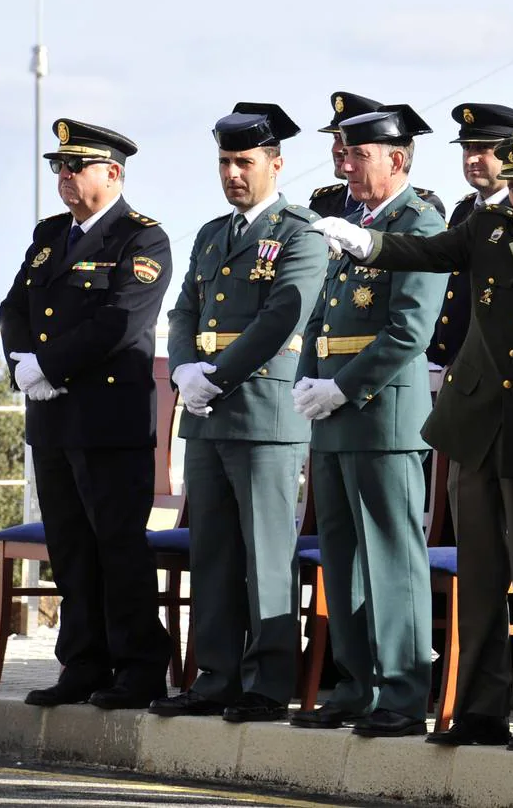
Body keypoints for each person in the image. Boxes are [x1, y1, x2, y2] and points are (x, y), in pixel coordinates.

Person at [311, 137, 513, 750]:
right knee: (479, 576)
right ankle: (479, 708)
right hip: (475, 417)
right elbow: (424, 250)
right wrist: (366, 242)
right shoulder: (485, 226)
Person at [151, 103, 328, 722]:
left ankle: (268, 682)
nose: (232, 173)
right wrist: (182, 370)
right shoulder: (209, 234)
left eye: (244, 162)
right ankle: (216, 677)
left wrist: (216, 376)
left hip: (261, 414)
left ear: (275, 164)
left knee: (266, 553)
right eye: (224, 161)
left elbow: (283, 314)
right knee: (215, 552)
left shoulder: (302, 232)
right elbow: (182, 312)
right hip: (204, 414)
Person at [0, 119, 172, 709]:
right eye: (58, 168)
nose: (65, 178)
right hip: (51, 419)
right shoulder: (50, 235)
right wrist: (22, 362)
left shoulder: (141, 239)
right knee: (71, 547)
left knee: (117, 546)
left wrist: (47, 367)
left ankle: (140, 667)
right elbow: (13, 304)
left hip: (107, 421)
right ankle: (82, 662)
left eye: (75, 167)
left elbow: (119, 322)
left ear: (112, 173)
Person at [288, 105, 445, 737]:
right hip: (332, 411)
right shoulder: (350, 222)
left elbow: (410, 326)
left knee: (391, 557)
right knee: (343, 557)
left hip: (383, 416)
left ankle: (403, 692)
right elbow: (322, 314)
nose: (344, 165)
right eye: (341, 154)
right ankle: (356, 684)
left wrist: (343, 389)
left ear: (397, 160)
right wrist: (305, 374)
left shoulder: (419, 223)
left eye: (358, 155)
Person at [428, 103, 513, 366]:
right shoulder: (465, 210)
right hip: (453, 361)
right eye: (466, 148)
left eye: (482, 149)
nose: (471, 158)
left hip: (500, 362)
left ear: (512, 153)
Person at [310, 92, 445, 221]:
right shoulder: (322, 202)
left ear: (395, 161)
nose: (337, 149)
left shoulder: (423, 208)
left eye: (357, 151)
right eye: (335, 138)